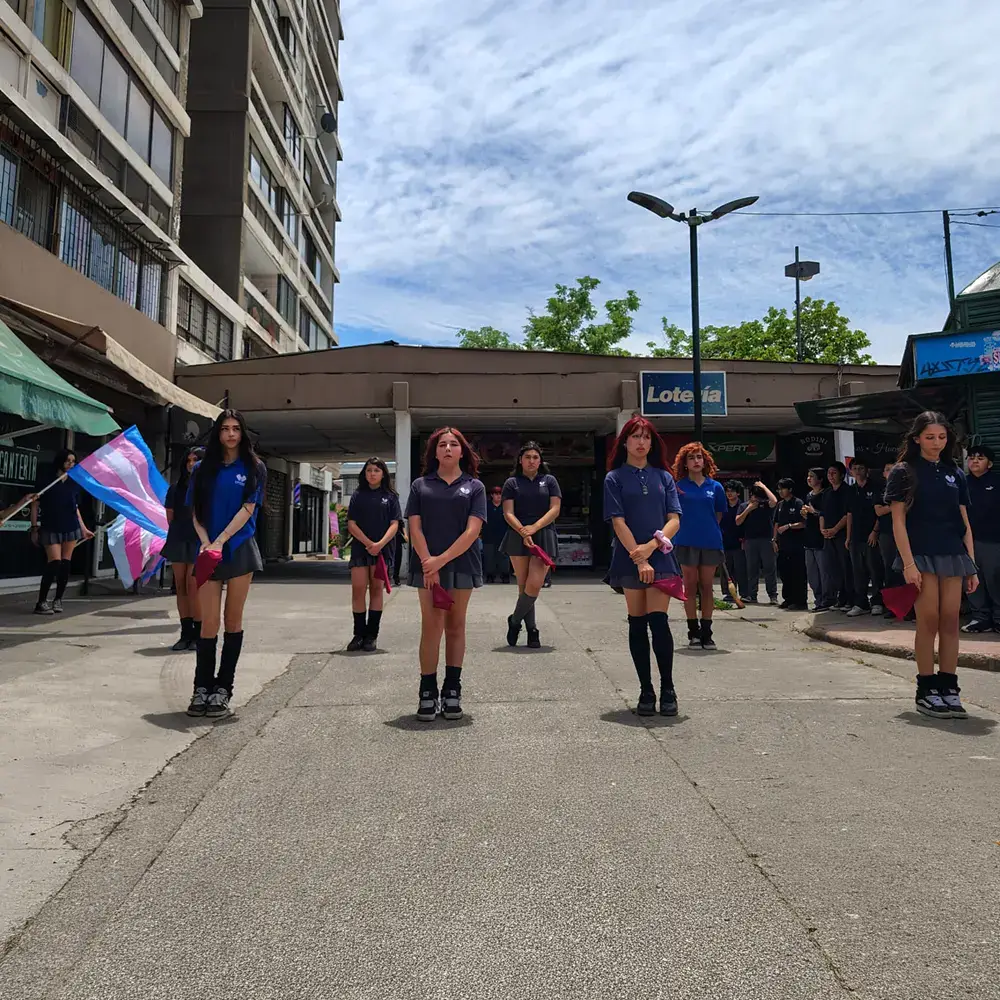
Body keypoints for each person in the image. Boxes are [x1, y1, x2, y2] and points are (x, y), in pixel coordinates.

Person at [885, 411, 977, 719]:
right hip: (920, 554)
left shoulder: (955, 472)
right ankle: (926, 690)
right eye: (929, 437)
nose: (937, 443)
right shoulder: (904, 471)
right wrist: (908, 564)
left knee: (951, 621)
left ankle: (949, 688)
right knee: (928, 620)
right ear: (916, 439)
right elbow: (897, 521)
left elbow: (964, 520)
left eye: (942, 437)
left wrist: (971, 563)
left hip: (953, 554)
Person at [187, 409, 266, 719]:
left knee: (233, 621)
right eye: (225, 429)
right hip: (207, 550)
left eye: (235, 429)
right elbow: (195, 511)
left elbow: (248, 509)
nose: (230, 434)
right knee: (208, 622)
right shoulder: (201, 469)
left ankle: (223, 689)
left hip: (239, 549)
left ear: (242, 433)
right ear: (217, 433)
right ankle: (201, 688)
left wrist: (221, 540)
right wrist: (207, 541)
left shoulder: (254, 467)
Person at [406, 427, 487, 721]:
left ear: (462, 451)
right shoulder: (420, 485)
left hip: (461, 565)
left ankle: (452, 688)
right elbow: (414, 527)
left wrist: (440, 561)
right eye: (442, 444)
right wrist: (429, 561)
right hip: (427, 567)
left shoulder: (474, 487)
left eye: (454, 444)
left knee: (455, 626)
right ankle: (427, 690)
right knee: (432, 626)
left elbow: (472, 530)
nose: (448, 448)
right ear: (434, 451)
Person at [604, 416, 682, 717]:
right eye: (635, 436)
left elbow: (674, 518)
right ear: (625, 442)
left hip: (660, 555)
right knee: (637, 623)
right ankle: (646, 690)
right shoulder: (614, 478)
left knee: (659, 621)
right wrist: (639, 557)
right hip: (628, 556)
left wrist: (651, 548)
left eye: (646, 437)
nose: (641, 442)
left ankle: (668, 688)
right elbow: (617, 520)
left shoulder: (664, 477)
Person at [502, 441, 561, 648]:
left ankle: (515, 621)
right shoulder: (512, 483)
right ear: (520, 460)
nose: (532, 461)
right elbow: (508, 512)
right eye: (527, 457)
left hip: (543, 533)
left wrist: (534, 528)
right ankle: (532, 630)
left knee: (535, 583)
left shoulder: (550, 480)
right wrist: (523, 531)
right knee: (524, 585)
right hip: (518, 533)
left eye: (535, 457)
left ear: (540, 460)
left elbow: (555, 509)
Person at [671, 441, 727, 650]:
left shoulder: (716, 487)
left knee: (707, 586)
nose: (696, 461)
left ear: (705, 461)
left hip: (710, 541)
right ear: (684, 463)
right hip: (685, 541)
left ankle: (707, 632)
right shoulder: (678, 487)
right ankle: (693, 631)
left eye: (699, 457)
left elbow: (719, 514)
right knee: (690, 586)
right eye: (691, 458)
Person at [345, 458, 401, 651]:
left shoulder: (391, 497)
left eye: (376, 470)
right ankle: (358, 634)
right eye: (369, 470)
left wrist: (379, 544)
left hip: (382, 550)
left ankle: (371, 635)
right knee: (358, 589)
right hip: (361, 549)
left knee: (376, 590)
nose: (372, 474)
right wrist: (368, 543)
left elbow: (395, 524)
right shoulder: (358, 495)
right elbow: (351, 524)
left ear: (383, 473)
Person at [30, 450, 94, 615]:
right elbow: (35, 504)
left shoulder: (74, 483)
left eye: (73, 461)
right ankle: (41, 601)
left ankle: (58, 599)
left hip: (70, 526)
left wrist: (84, 528)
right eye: (67, 461)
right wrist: (34, 527)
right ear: (60, 461)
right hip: (50, 526)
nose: (70, 464)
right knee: (54, 562)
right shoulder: (47, 481)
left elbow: (75, 508)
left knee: (65, 563)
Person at [162, 447, 205, 651]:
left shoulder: (207, 487)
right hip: (179, 537)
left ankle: (198, 634)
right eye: (188, 460)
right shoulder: (175, 488)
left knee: (193, 587)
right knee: (180, 587)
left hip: (200, 540)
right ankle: (185, 633)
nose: (191, 463)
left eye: (195, 460)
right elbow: (169, 516)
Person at [963, 444, 1000, 633]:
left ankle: (998, 618)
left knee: (995, 579)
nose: (974, 461)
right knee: (972, 579)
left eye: (980, 458)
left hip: (993, 540)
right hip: (967, 541)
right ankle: (980, 617)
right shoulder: (962, 483)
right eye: (971, 457)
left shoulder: (996, 482)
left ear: (990, 463)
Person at [845, 458, 885, 617]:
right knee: (858, 571)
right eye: (855, 468)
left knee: (874, 569)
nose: (858, 471)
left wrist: (875, 531)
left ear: (866, 470)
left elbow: (879, 513)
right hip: (855, 536)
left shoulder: (875, 487)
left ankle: (877, 601)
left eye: (861, 468)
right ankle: (860, 603)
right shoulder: (851, 490)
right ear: (851, 471)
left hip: (872, 535)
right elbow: (849, 514)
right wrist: (848, 537)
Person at [735, 481, 778, 604]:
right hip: (750, 540)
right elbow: (738, 521)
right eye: (754, 496)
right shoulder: (744, 506)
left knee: (769, 568)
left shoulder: (765, 505)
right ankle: (752, 595)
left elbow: (774, 501)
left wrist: (764, 486)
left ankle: (773, 595)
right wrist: (749, 509)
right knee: (752, 569)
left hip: (766, 539)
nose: (756, 499)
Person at [820, 461, 854, 611]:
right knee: (832, 568)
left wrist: (835, 529)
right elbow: (822, 513)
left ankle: (850, 599)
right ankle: (839, 598)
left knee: (846, 567)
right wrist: (823, 529)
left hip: (842, 535)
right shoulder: (826, 493)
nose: (831, 476)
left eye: (834, 473)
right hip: (828, 535)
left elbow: (848, 514)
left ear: (842, 474)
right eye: (829, 473)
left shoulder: (848, 491)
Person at [873, 460, 903, 618]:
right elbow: (878, 511)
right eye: (887, 470)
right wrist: (897, 506)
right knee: (889, 569)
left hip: (906, 533)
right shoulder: (881, 491)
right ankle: (893, 608)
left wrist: (889, 508)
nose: (890, 472)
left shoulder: (906, 489)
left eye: (893, 469)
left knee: (905, 571)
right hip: (887, 534)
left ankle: (909, 608)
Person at [773, 478, 808, 610]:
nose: (780, 491)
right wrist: (774, 539)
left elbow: (803, 523)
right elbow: (776, 523)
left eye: (783, 488)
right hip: (783, 545)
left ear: (790, 489)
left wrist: (789, 526)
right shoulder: (780, 505)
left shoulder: (798, 503)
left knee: (797, 573)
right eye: (779, 489)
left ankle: (800, 601)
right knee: (784, 573)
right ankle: (788, 599)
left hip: (797, 545)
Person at [801, 468, 831, 610]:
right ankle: (818, 600)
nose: (809, 479)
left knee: (824, 572)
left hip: (821, 538)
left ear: (820, 479)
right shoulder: (808, 495)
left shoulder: (826, 494)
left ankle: (827, 600)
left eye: (812, 476)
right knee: (812, 574)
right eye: (808, 476)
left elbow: (826, 514)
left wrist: (815, 512)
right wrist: (805, 513)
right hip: (809, 538)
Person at [719, 481, 747, 604]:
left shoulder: (743, 506)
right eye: (727, 491)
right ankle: (729, 593)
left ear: (738, 492)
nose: (729, 494)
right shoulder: (722, 507)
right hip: (724, 541)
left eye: (732, 491)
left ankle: (744, 593)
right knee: (726, 569)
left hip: (739, 542)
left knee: (741, 569)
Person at [482, 485, 511, 584]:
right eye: (496, 494)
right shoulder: (486, 507)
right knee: (489, 557)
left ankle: (505, 575)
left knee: (504, 558)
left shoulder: (506, 506)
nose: (498, 496)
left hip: (503, 536)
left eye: (500, 494)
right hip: (488, 536)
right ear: (492, 495)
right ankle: (490, 576)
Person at [392, 519, 407, 588]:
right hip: (387, 538)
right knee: (387, 558)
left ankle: (396, 577)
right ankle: (385, 577)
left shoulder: (396, 510)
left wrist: (405, 534)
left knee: (398, 558)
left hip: (397, 537)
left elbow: (401, 523)